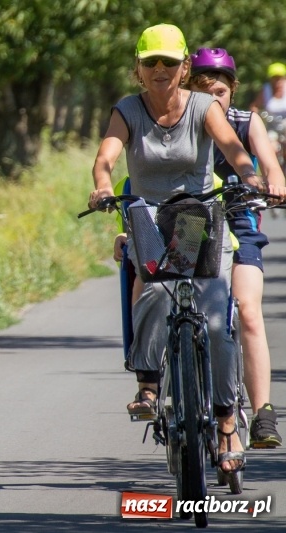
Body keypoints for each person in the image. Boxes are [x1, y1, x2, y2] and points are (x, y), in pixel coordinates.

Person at [89, 24, 264, 474]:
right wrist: (103, 186)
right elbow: (106, 156)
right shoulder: (127, 110)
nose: (161, 69)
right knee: (149, 291)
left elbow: (232, 146)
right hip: (147, 214)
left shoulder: (204, 107)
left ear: (186, 67)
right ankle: (148, 384)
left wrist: (250, 177)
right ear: (138, 70)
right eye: (151, 62)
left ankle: (226, 419)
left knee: (216, 316)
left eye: (170, 62)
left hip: (197, 217)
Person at [187, 47, 286, 447]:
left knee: (247, 311)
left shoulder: (248, 122)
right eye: (204, 91)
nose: (214, 98)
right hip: (192, 222)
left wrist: (274, 181)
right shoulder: (181, 123)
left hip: (238, 219)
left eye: (221, 91)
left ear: (233, 90)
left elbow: (269, 164)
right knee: (185, 309)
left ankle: (262, 412)